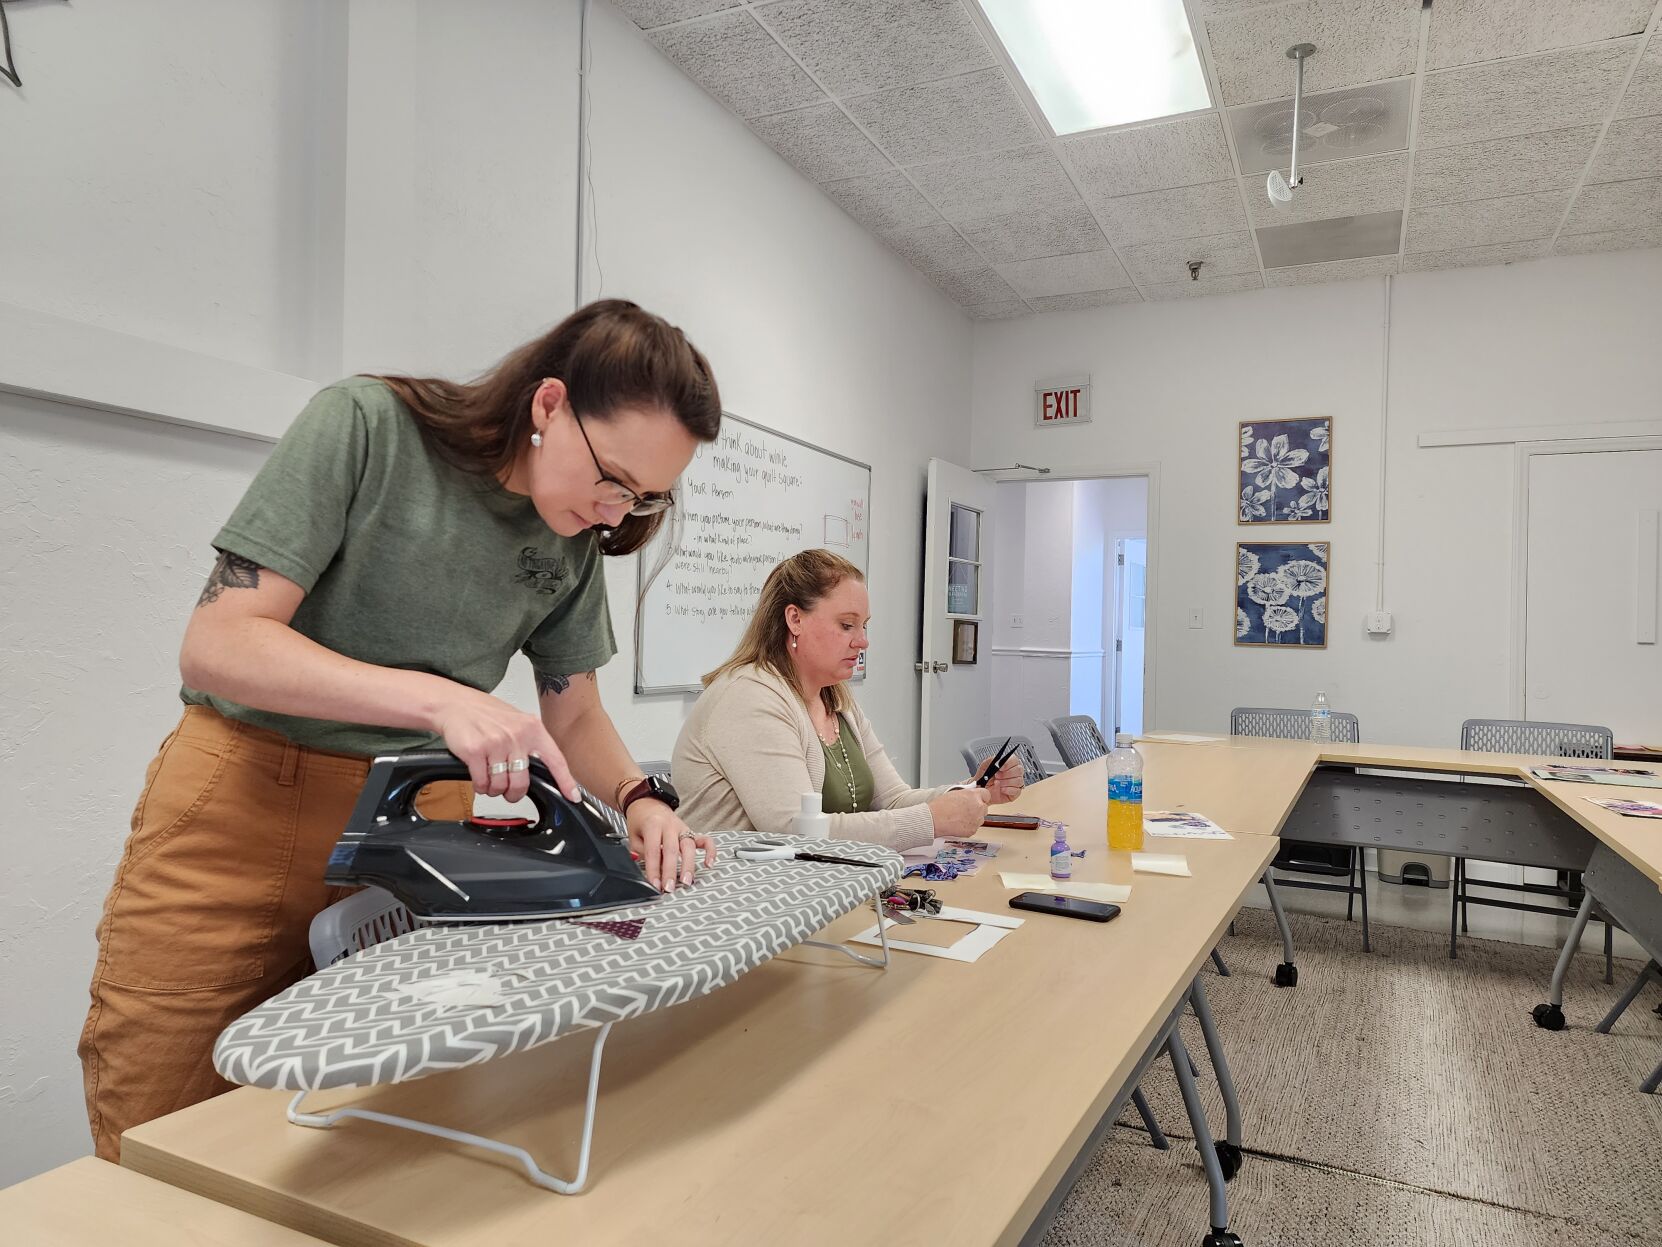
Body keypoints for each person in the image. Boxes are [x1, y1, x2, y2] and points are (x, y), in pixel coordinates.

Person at [79, 299, 721, 1161]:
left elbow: (573, 709)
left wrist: (641, 798)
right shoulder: (367, 426)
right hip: (242, 808)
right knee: (155, 1115)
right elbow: (219, 642)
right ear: (548, 404)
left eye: (645, 497)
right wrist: (436, 700)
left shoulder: (568, 533)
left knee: (379, 1126)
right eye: (613, 479)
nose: (616, 514)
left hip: (422, 833)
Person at [672, 549, 1023, 849]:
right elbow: (795, 831)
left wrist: (970, 792)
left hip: (812, 889)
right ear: (795, 619)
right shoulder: (748, 697)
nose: (862, 641)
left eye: (864, 625)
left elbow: (894, 800)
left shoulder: (836, 698)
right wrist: (931, 820)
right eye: (846, 625)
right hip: (742, 903)